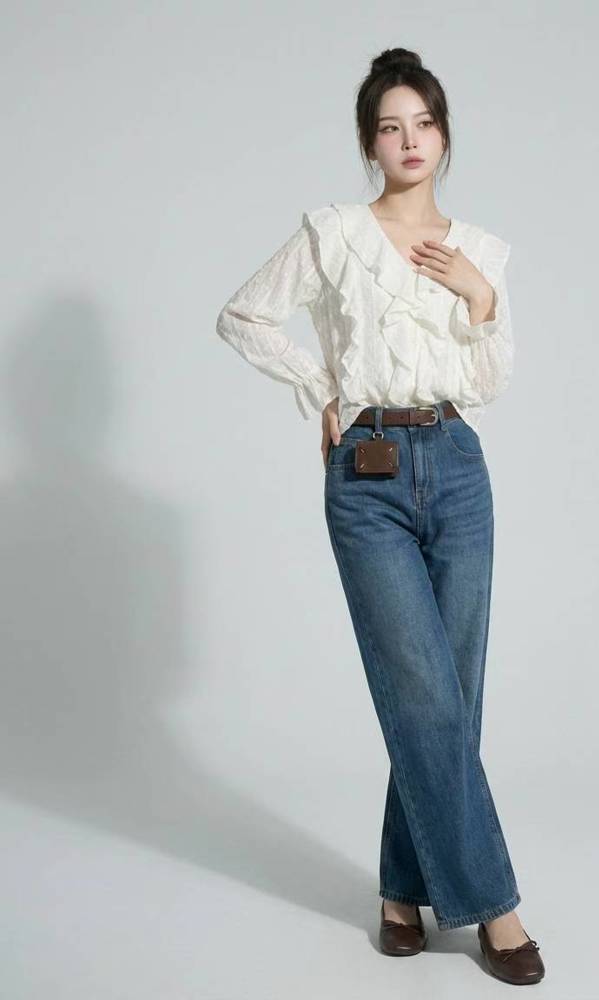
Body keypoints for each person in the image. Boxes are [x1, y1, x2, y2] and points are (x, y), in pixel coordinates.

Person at [216, 46, 545, 987]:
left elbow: (491, 380)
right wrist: (321, 388)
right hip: (367, 472)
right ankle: (496, 908)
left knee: (451, 694)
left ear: (444, 136)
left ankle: (403, 890)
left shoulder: (481, 251)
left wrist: (478, 296)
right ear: (370, 143)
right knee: (421, 690)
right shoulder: (335, 234)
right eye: (391, 126)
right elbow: (244, 316)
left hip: (457, 464)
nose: (409, 140)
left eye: (424, 123)